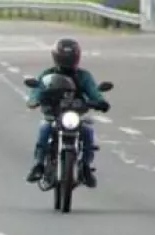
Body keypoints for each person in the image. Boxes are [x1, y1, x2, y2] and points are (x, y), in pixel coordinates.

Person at [26, 38, 110, 187]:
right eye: (64, 57)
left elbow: (93, 91)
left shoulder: (84, 76)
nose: (67, 60)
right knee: (44, 129)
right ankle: (38, 165)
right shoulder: (47, 74)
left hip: (75, 115)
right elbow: (38, 88)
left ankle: (85, 167)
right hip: (54, 115)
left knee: (88, 132)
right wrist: (34, 100)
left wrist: (100, 101)